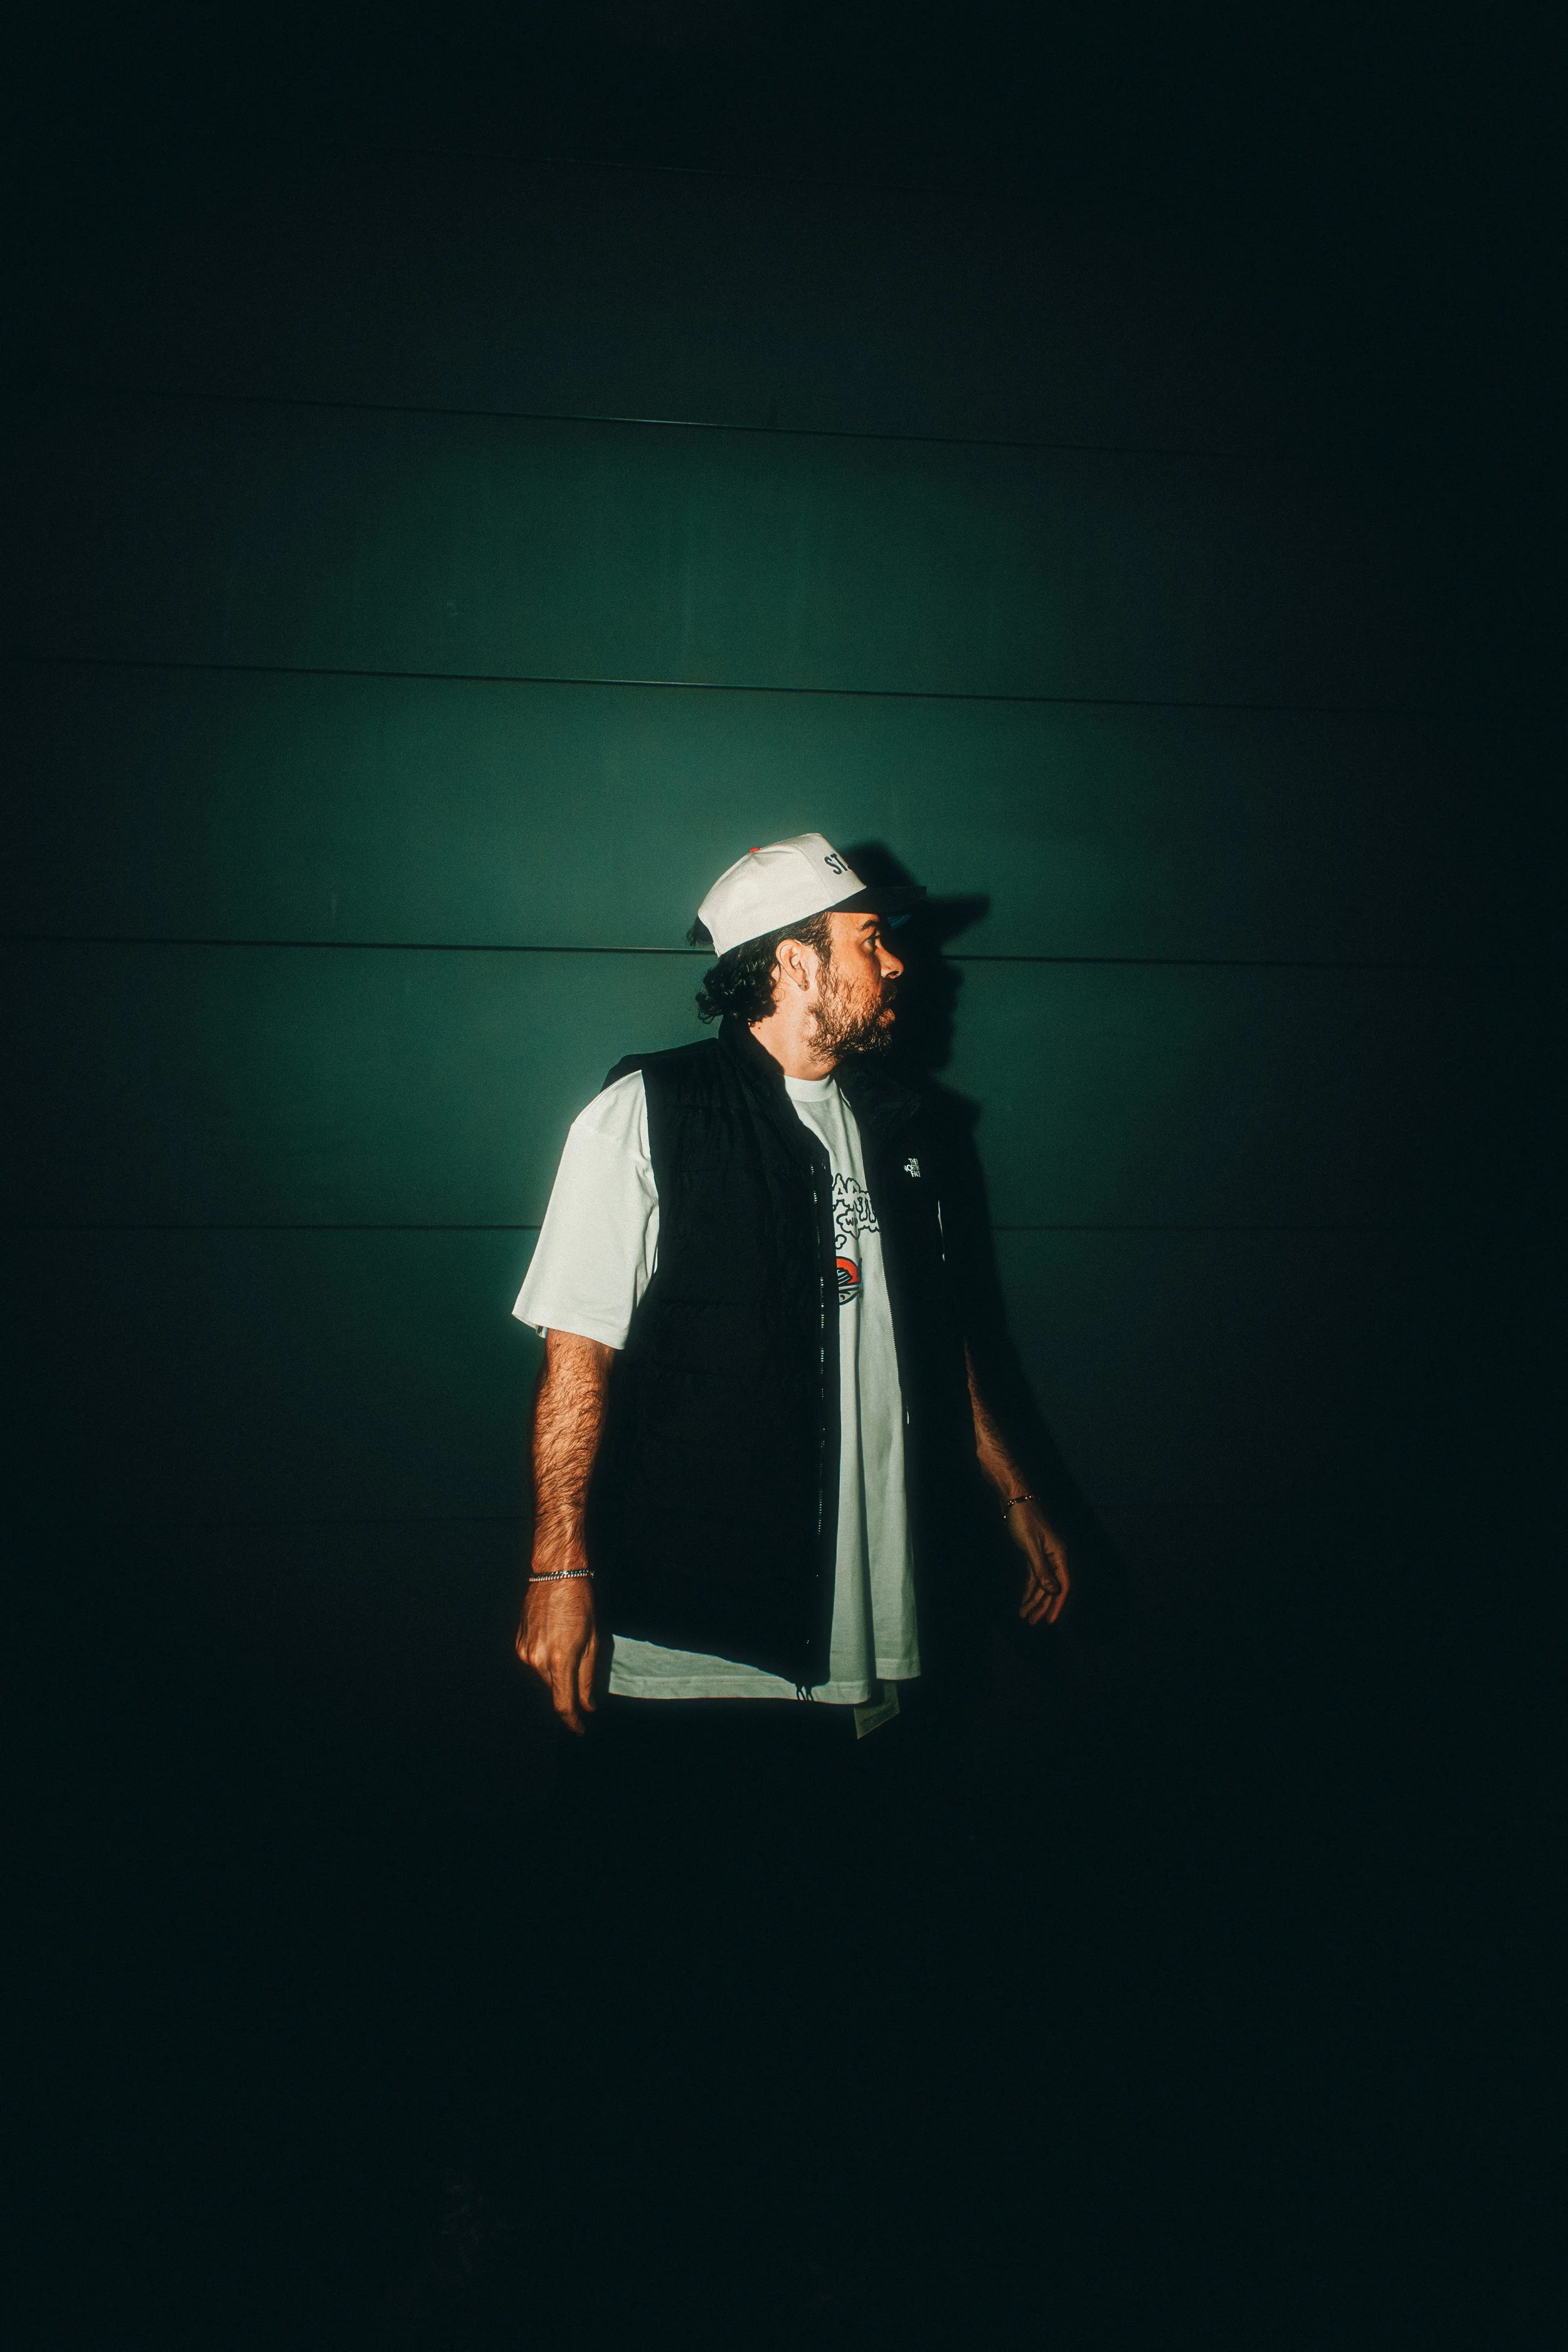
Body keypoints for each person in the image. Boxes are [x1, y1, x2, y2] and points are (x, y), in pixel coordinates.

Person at [512, 831, 1071, 1757]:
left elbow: (937, 1338)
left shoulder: (901, 1126)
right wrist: (558, 1566)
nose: (898, 963)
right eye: (870, 940)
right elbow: (578, 1357)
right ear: (795, 964)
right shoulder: (647, 1112)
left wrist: (1015, 1493)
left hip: (886, 1627)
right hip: (707, 1640)